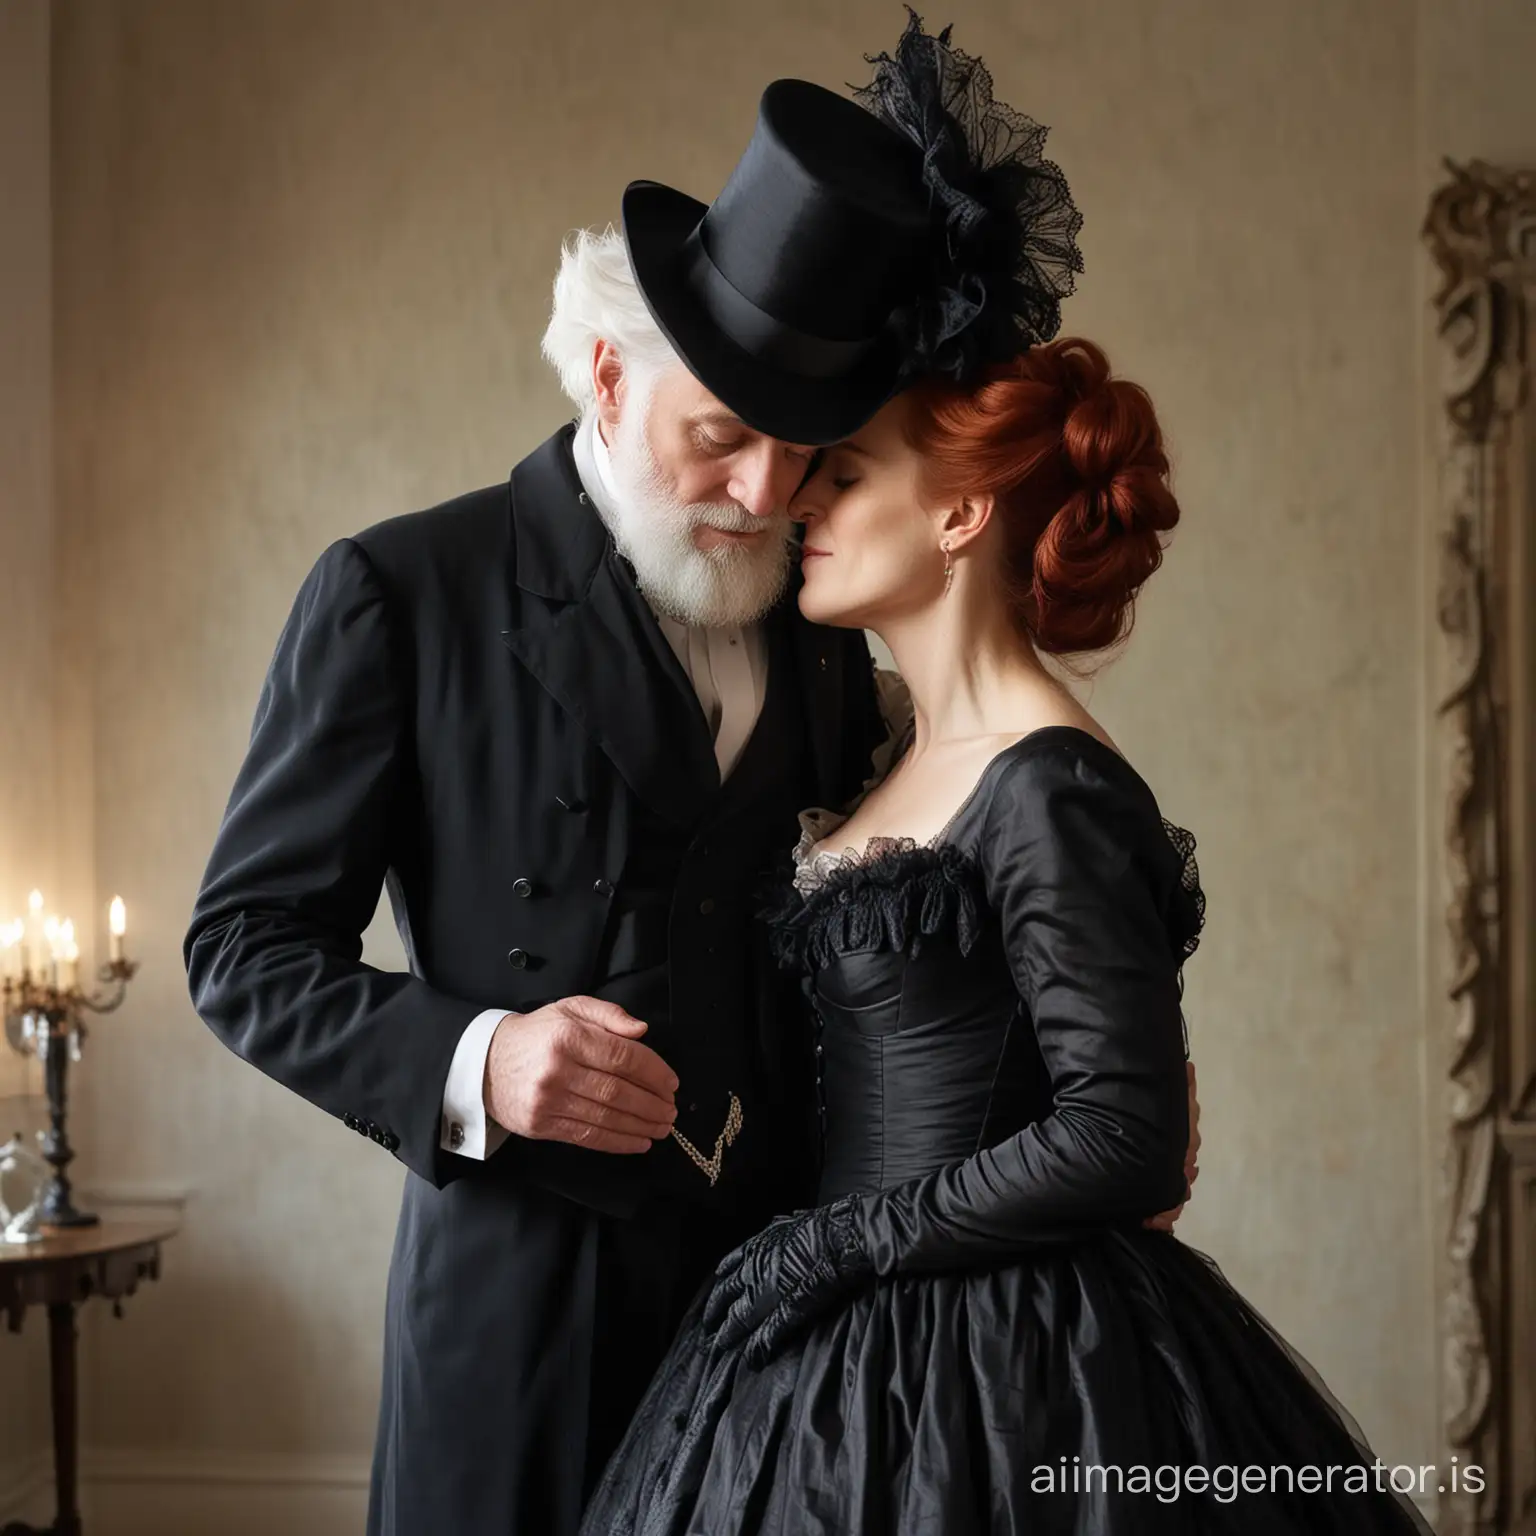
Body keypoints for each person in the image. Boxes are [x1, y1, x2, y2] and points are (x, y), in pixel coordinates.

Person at [183, 23, 1202, 1534]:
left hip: (793, 1328)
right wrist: (478, 1061)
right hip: (523, 1317)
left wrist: (1117, 1091)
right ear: (607, 373)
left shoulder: (820, 639)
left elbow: (976, 903)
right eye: (721, 442)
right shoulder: (404, 593)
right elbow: (241, 951)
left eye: (804, 460)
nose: (763, 500)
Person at [579, 17, 1433, 1536]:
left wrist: (838, 1250)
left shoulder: (1047, 780)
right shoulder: (893, 748)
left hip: (1011, 1368)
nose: (801, 504)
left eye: (846, 474)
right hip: (822, 1355)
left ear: (964, 512)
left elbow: (1118, 1129)